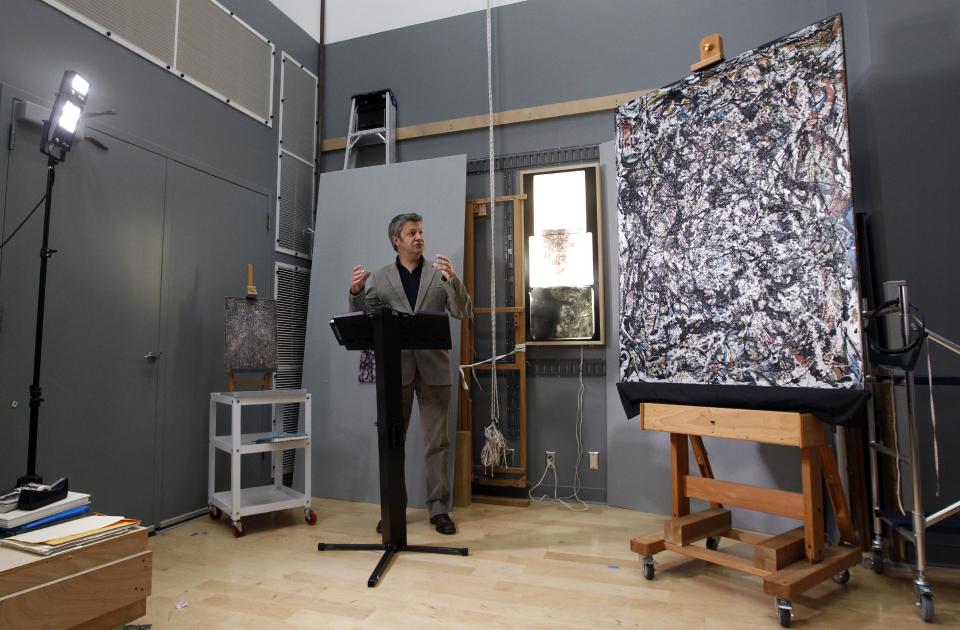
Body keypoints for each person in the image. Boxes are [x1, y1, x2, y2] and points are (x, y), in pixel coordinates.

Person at [349, 212, 471, 534]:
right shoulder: (382, 277)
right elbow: (364, 317)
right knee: (393, 444)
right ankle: (393, 508)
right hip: (396, 371)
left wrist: (453, 281)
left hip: (435, 371)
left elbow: (462, 312)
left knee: (437, 444)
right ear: (396, 240)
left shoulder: (438, 273)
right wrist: (357, 291)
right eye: (412, 233)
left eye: (421, 232)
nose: (419, 237)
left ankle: (439, 510)